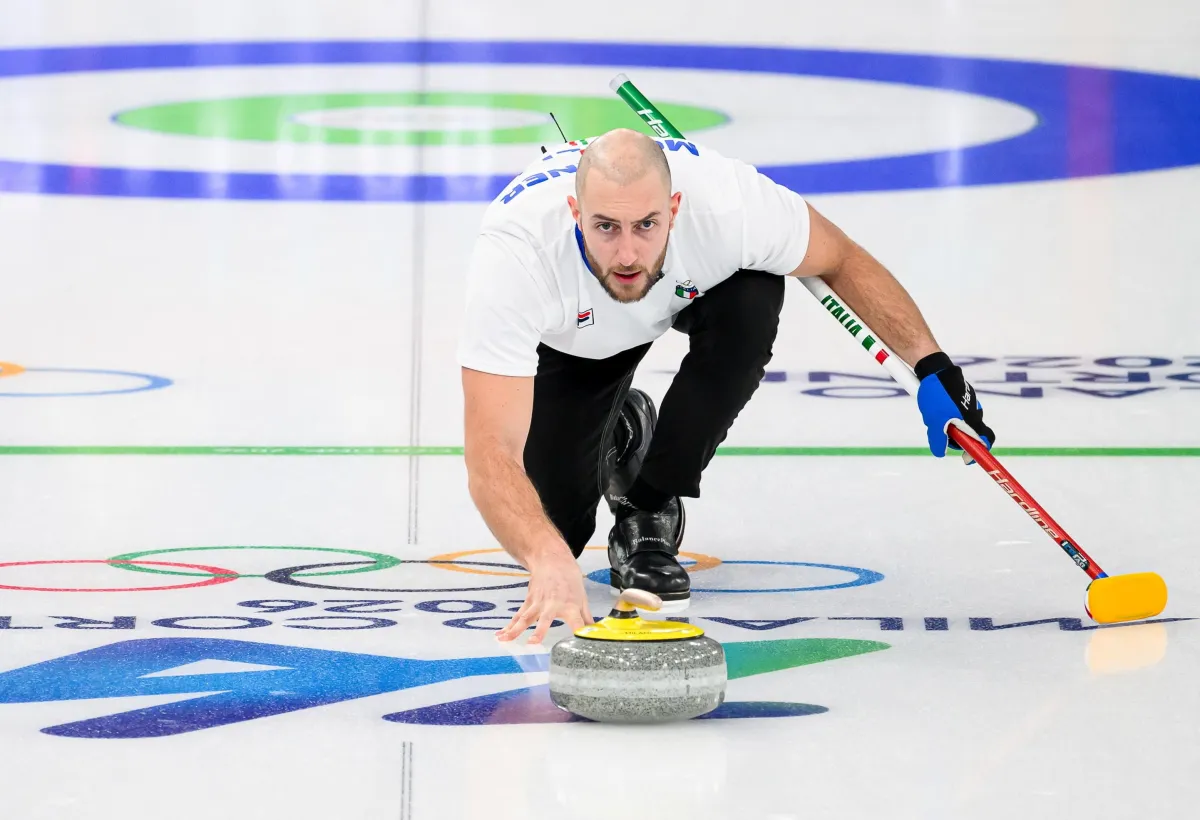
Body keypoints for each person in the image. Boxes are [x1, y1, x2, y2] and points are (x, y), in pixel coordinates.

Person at [457, 128, 995, 644]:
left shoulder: (732, 206)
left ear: (674, 209)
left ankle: (650, 503)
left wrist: (931, 363)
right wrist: (546, 556)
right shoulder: (515, 253)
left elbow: (842, 259)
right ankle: (619, 431)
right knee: (557, 533)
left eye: (646, 225)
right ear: (575, 214)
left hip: (690, 292)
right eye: (605, 227)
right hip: (579, 345)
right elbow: (490, 454)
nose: (626, 255)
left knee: (754, 296)